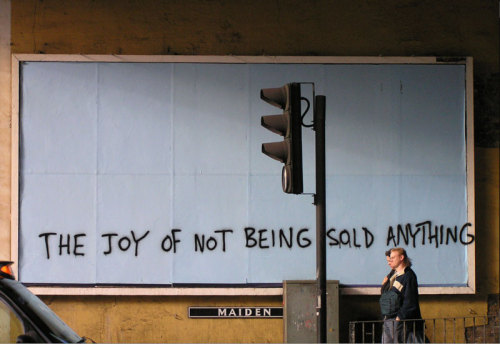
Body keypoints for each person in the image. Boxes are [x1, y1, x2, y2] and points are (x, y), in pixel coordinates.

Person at [380, 248, 424, 343]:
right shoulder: (393, 275)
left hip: (399, 321)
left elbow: (410, 300)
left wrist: (399, 318)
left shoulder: (408, 275)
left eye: (393, 258)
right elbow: (385, 296)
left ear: (401, 257)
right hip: (388, 319)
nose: (390, 261)